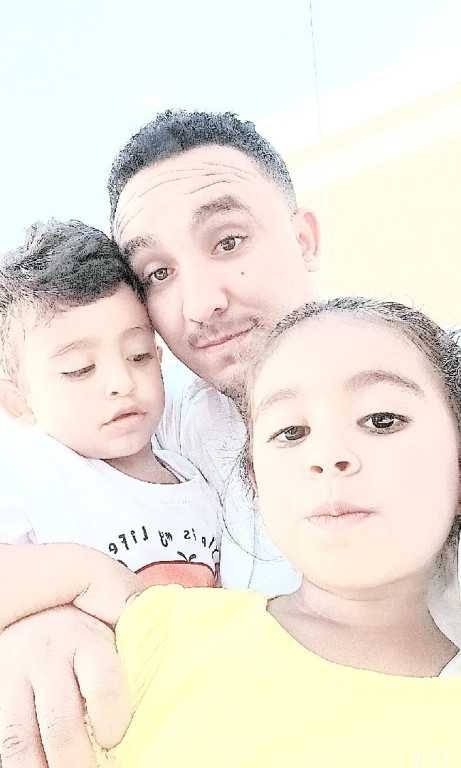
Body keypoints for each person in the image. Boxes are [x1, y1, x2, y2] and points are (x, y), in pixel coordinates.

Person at [0, 111, 456, 768]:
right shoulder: (150, 425)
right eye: (157, 274)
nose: (201, 303)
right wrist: (43, 614)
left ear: (303, 238)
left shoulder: (429, 379)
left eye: (228, 241)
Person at [83, 297, 461, 767]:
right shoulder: (160, 632)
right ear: (255, 480)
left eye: (381, 421)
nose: (328, 455)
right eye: (290, 432)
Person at [0, 218, 222, 634]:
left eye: (138, 356)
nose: (121, 382)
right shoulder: (31, 467)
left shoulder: (196, 480)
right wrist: (79, 573)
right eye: (80, 369)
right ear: (18, 401)